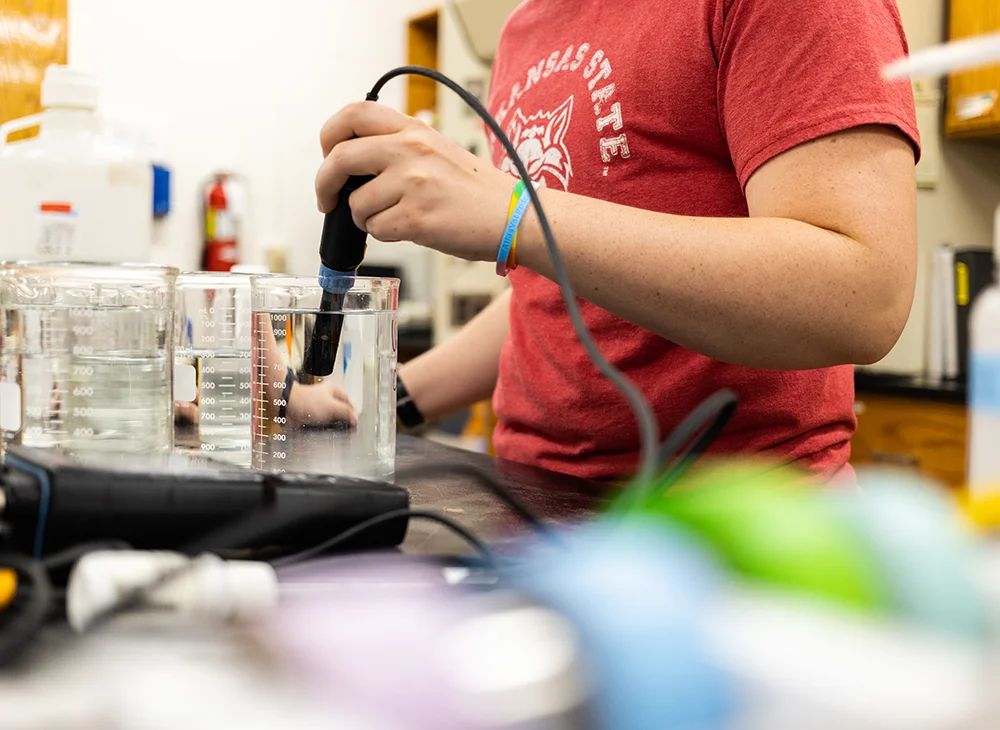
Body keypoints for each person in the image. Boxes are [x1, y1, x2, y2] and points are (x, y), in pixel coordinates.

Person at [314, 0, 920, 482]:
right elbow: (558, 294)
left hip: (737, 526)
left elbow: (863, 297)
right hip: (532, 501)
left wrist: (513, 212)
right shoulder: (526, 28)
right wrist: (382, 404)